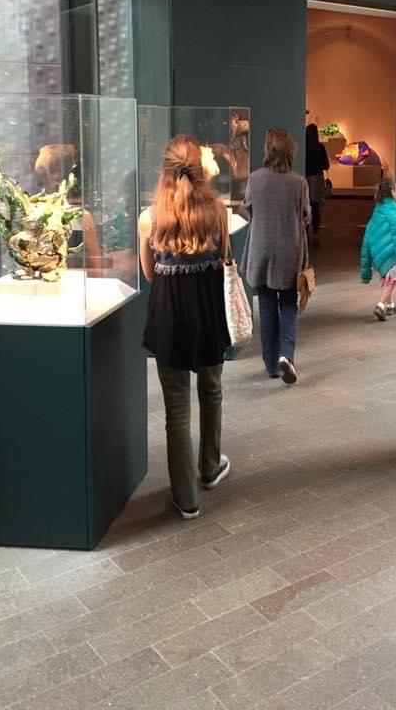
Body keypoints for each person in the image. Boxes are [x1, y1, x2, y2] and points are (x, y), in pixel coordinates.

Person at [138, 134, 231, 520]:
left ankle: (186, 497)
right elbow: (224, 262)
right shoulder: (218, 213)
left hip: (169, 316)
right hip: (208, 314)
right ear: (201, 169)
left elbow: (149, 274)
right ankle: (210, 467)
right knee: (211, 391)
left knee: (176, 410)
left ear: (165, 169)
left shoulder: (149, 218)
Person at [241, 128, 311, 384]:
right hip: (290, 251)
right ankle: (286, 355)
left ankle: (271, 364)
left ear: (268, 149)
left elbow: (248, 208)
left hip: (261, 250)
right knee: (289, 305)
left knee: (267, 307)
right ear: (290, 150)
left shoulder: (255, 179)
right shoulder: (299, 183)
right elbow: (306, 216)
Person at [360, 177, 396, 321]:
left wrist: (367, 264)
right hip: (394, 253)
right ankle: (381, 305)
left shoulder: (377, 210)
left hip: (379, 254)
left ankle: (390, 306)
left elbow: (369, 234)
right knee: (392, 279)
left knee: (388, 278)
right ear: (392, 191)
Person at [305, 123, 330, 247]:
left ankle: (305, 232)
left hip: (305, 179)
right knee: (316, 207)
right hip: (317, 179)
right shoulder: (320, 148)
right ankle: (315, 234)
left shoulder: (304, 147)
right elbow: (326, 165)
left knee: (305, 206)